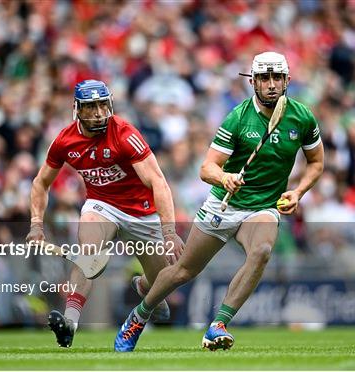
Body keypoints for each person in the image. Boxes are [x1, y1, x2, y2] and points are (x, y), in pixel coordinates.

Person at [114, 52, 324, 352]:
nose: (271, 84)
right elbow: (206, 168)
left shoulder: (302, 117)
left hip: (263, 207)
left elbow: (316, 161)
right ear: (253, 81)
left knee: (262, 251)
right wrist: (224, 178)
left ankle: (218, 324)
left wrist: (299, 191)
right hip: (224, 204)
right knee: (183, 272)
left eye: (277, 77)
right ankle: (138, 316)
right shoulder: (238, 117)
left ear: (287, 80)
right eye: (264, 78)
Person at [26, 80, 184, 348]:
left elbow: (158, 182)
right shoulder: (65, 140)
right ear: (77, 109)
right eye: (91, 107)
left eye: (103, 105)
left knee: (165, 283)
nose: (99, 113)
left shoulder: (124, 134)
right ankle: (70, 322)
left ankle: (146, 287)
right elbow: (41, 182)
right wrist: (36, 224)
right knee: (88, 254)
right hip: (102, 205)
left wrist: (169, 232)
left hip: (141, 213)